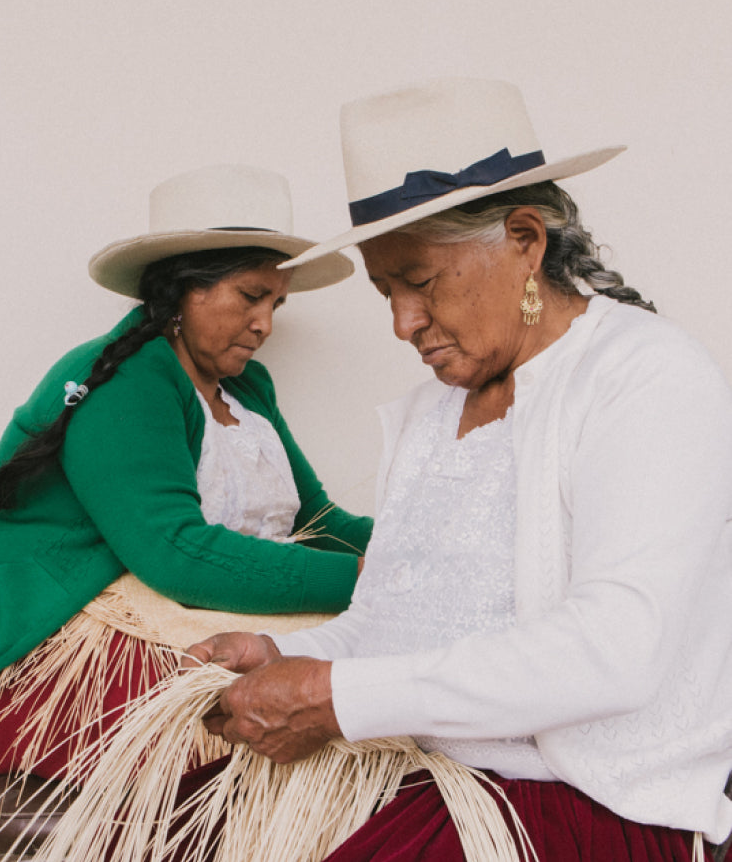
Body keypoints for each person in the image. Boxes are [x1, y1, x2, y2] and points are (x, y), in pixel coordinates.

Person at [184, 81, 732, 860]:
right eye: (385, 292)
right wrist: (299, 661)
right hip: (427, 772)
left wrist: (339, 697)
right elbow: (392, 626)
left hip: (582, 806)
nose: (403, 324)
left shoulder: (648, 377)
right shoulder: (428, 414)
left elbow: (616, 649)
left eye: (420, 281)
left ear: (524, 240)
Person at [0, 163, 372, 782]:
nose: (265, 324)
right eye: (250, 297)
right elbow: (177, 555)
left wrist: (419, 552)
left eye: (275, 303)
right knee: (282, 715)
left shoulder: (247, 385)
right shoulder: (126, 380)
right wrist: (369, 581)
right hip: (69, 630)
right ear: (183, 291)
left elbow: (317, 518)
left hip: (183, 610)